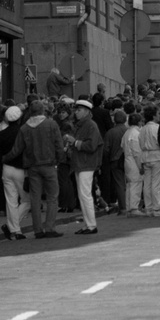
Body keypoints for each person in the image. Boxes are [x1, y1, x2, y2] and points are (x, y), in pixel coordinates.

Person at [4, 99, 65, 238]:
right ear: (43, 110)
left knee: (35, 199)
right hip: (49, 164)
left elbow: (17, 149)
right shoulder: (51, 124)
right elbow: (59, 145)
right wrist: (60, 159)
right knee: (52, 197)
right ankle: (49, 227)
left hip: (32, 167)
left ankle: (37, 230)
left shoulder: (25, 128)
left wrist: (4, 158)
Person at [66, 100, 103, 235]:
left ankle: (91, 225)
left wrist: (74, 142)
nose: (76, 112)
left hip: (86, 163)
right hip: (81, 163)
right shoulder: (83, 125)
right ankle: (88, 224)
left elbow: (91, 146)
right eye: (76, 110)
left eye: (79, 110)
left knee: (85, 195)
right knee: (83, 195)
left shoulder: (90, 125)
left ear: (87, 112)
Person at [0, 106, 31, 240]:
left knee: (11, 201)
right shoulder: (23, 132)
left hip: (6, 168)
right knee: (27, 200)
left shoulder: (2, 134)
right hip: (21, 169)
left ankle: (14, 230)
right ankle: (13, 228)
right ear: (19, 118)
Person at [139, 105, 160, 217]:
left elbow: (140, 143)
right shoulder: (156, 128)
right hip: (157, 155)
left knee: (147, 183)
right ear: (154, 115)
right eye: (158, 114)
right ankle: (156, 208)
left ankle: (149, 207)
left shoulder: (143, 129)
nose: (159, 115)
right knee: (156, 183)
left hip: (146, 156)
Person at [101, 109, 128, 215]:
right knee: (130, 183)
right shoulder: (127, 130)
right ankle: (131, 205)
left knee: (119, 184)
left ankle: (123, 207)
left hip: (115, 160)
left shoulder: (110, 132)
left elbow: (106, 149)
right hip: (128, 159)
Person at [122, 113, 146, 215]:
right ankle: (134, 207)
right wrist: (141, 165)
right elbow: (137, 152)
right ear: (139, 122)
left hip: (127, 161)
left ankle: (129, 207)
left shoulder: (127, 132)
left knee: (130, 185)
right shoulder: (135, 134)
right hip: (134, 162)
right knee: (136, 184)